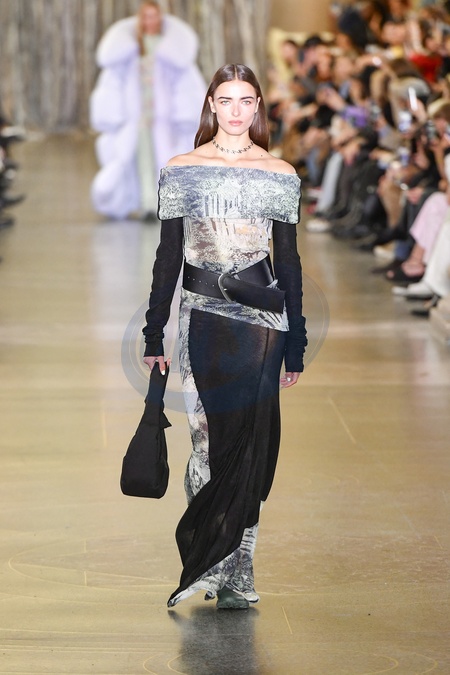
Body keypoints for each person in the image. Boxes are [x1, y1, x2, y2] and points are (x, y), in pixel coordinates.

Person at [142, 64, 307, 609]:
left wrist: (296, 342)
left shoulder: (279, 173)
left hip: (261, 324)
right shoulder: (182, 170)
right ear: (211, 105)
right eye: (226, 100)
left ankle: (238, 570)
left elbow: (289, 263)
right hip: (201, 315)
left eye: (246, 101)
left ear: (258, 107)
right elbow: (168, 257)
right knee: (205, 439)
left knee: (249, 446)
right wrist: (153, 331)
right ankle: (208, 560)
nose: (236, 111)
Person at [90, 1, 206, 220]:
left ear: (160, 18)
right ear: (140, 20)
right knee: (141, 161)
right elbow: (112, 84)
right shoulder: (129, 48)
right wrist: (114, 114)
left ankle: (168, 203)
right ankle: (148, 204)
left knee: (167, 161)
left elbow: (186, 85)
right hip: (138, 117)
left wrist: (184, 115)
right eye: (146, 16)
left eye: (154, 16)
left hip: (164, 119)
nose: (150, 21)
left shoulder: (172, 50)